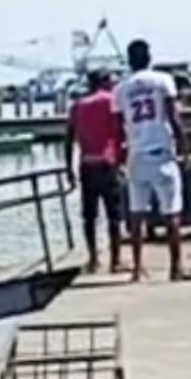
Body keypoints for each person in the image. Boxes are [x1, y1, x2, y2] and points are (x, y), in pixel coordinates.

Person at [113, 39, 191, 282]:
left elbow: (119, 130)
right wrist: (185, 149)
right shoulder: (163, 81)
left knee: (136, 214)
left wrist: (119, 159)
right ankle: (175, 267)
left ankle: (137, 269)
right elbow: (173, 118)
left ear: (129, 61)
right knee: (172, 214)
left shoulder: (120, 89)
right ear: (149, 58)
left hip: (136, 156)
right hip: (162, 154)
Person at [65, 69, 124, 273]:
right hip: (107, 163)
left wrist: (68, 168)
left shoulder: (77, 105)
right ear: (105, 81)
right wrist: (123, 160)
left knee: (89, 216)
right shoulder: (111, 101)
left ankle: (93, 259)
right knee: (114, 215)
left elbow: (69, 138)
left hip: (87, 164)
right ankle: (115, 261)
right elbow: (120, 132)